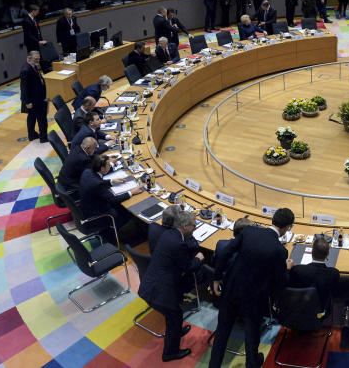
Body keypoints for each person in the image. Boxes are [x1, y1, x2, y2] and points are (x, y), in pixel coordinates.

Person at [209, 208, 296, 368]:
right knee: (251, 337)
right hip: (254, 299)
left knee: (221, 334)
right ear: (286, 228)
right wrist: (287, 269)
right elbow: (280, 282)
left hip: (231, 290)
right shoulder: (280, 251)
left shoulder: (249, 232)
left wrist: (216, 279)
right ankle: (252, 364)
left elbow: (224, 253)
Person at [140, 209, 205, 362]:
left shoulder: (169, 235)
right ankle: (170, 353)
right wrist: (198, 258)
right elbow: (188, 267)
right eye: (194, 226)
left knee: (173, 317)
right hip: (160, 292)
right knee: (175, 316)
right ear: (184, 226)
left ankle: (176, 331)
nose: (195, 229)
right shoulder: (178, 243)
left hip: (151, 285)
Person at [78, 154, 142, 246]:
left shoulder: (87, 172)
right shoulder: (98, 185)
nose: (111, 165)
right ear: (102, 168)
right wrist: (131, 192)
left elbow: (97, 181)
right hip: (97, 214)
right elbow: (113, 199)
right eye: (108, 165)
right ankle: (113, 234)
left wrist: (112, 181)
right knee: (130, 210)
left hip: (85, 209)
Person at [287, 236, 339, 309]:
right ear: (327, 254)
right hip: (320, 311)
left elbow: (284, 283)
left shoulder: (297, 270)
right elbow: (335, 292)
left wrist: (288, 269)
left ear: (311, 252)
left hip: (298, 309)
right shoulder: (333, 273)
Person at [20, 50, 48, 143]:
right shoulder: (26, 70)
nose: (38, 61)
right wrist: (27, 102)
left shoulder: (34, 66)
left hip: (37, 97)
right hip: (33, 99)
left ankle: (32, 135)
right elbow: (23, 88)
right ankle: (44, 137)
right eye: (36, 59)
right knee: (42, 118)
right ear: (30, 58)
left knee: (31, 117)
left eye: (38, 59)